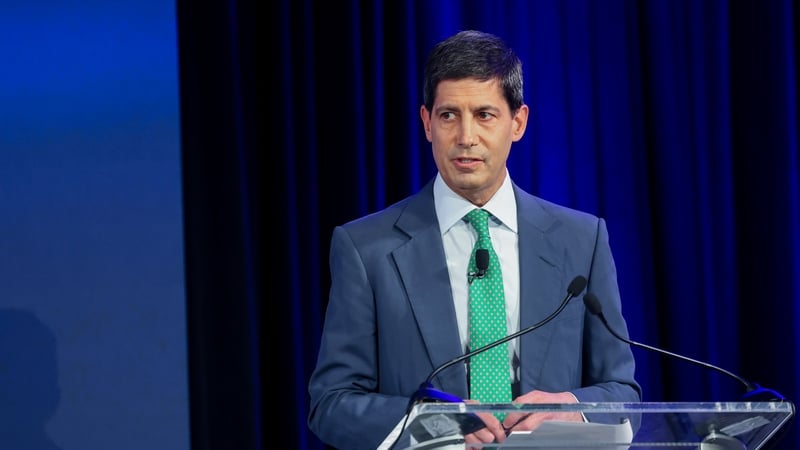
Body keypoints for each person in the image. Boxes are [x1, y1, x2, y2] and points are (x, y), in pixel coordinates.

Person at [307, 29, 641, 450]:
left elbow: (623, 394)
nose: (466, 137)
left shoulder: (581, 240)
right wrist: (432, 424)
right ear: (427, 123)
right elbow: (332, 404)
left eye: (484, 115)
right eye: (449, 115)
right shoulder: (365, 248)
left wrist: (573, 406)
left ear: (517, 122)